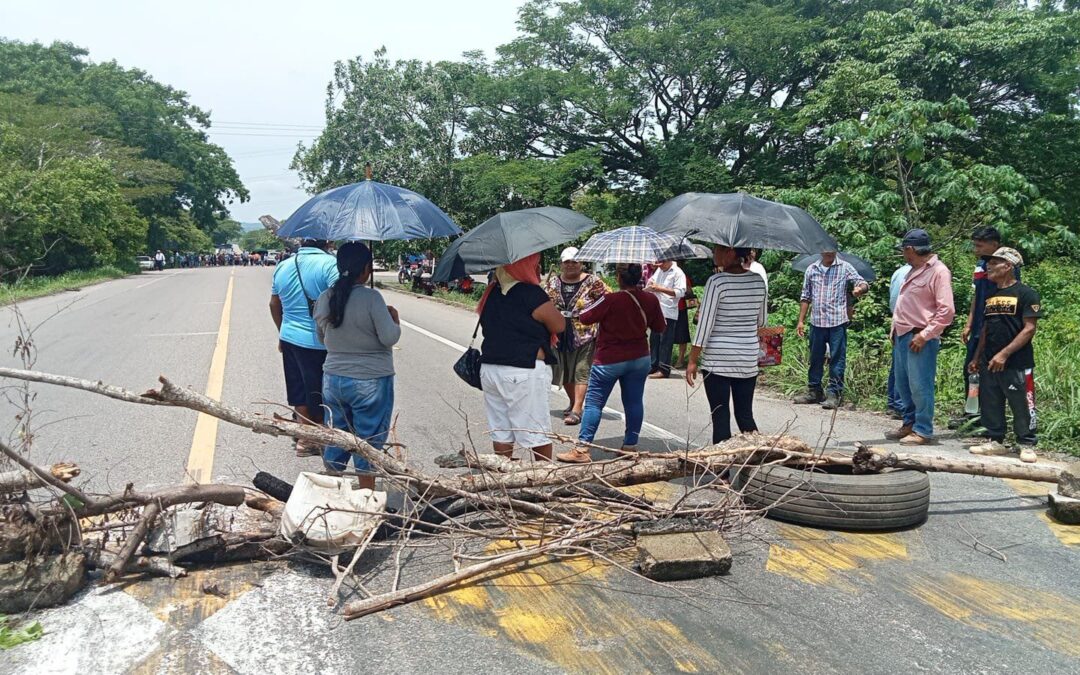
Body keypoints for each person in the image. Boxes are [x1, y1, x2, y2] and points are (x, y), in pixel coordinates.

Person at [556, 264, 666, 463]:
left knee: (594, 404)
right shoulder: (650, 299)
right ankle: (630, 446)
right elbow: (660, 326)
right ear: (640, 277)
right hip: (640, 358)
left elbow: (585, 317)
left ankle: (582, 449)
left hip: (609, 359)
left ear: (618, 278)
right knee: (633, 401)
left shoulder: (610, 299)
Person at [313, 243, 400, 490]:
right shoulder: (372, 298)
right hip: (370, 380)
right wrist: (394, 319)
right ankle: (365, 498)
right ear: (366, 269)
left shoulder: (325, 297)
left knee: (338, 436)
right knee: (368, 442)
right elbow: (389, 338)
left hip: (333, 378)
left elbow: (322, 338)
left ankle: (329, 493)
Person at [478, 253, 565, 461]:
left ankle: (504, 478)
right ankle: (544, 481)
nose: (538, 269)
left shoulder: (491, 292)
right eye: (535, 264)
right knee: (536, 432)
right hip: (522, 370)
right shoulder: (531, 294)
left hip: (491, 369)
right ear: (523, 266)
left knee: (501, 429)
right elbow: (559, 325)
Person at [686, 246, 768, 443]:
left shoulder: (717, 282)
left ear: (731, 253)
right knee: (745, 415)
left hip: (718, 360)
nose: (714, 253)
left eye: (717, 250)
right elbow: (762, 322)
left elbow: (705, 325)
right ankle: (753, 465)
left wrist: (692, 360)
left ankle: (722, 474)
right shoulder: (758, 281)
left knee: (721, 416)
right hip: (748, 358)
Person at [967, 247, 1041, 463]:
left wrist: (1004, 354)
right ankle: (995, 440)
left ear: (1008, 266)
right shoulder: (991, 296)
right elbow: (986, 329)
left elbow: (1029, 329)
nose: (988, 266)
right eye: (988, 263)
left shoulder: (1027, 293)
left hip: (1016, 361)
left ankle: (1026, 443)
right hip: (989, 360)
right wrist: (976, 357)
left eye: (994, 262)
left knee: (1021, 403)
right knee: (990, 400)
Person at [269, 239, 339, 457]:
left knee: (298, 387)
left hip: (289, 336)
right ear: (326, 241)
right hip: (320, 339)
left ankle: (304, 438)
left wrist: (282, 331)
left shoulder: (283, 265)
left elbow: (274, 304)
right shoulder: (330, 264)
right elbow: (341, 299)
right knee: (320, 388)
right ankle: (315, 437)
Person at [887, 229, 955, 445]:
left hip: (920, 337)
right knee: (903, 384)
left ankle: (923, 429)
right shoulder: (911, 270)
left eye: (905, 250)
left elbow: (947, 311)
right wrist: (894, 330)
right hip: (902, 334)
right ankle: (909, 423)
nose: (904, 255)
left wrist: (925, 335)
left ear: (911, 249)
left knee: (920, 385)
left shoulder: (938, 272)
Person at [954, 226, 1020, 429]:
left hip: (995, 327)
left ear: (994, 244)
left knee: (992, 374)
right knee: (971, 370)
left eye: (979, 245)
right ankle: (972, 414)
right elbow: (976, 296)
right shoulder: (981, 265)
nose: (976, 249)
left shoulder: (1006, 266)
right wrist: (969, 323)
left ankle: (991, 420)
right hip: (977, 328)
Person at [793, 250, 869, 409]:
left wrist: (859, 289)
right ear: (821, 250)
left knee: (837, 359)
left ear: (835, 250)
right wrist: (801, 321)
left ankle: (834, 393)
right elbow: (805, 296)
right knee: (815, 358)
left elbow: (862, 282)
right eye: (825, 249)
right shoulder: (812, 269)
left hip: (837, 322)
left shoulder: (844, 267)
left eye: (831, 249)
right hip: (817, 322)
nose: (828, 252)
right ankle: (814, 391)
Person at [544, 247, 609, 425]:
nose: (571, 265)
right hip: (559, 331)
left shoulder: (593, 281)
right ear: (561, 264)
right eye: (567, 262)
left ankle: (578, 408)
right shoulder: (553, 282)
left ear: (581, 263)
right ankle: (573, 401)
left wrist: (596, 315)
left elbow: (608, 300)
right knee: (564, 369)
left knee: (582, 369)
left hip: (585, 331)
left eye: (574, 261)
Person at [645, 259, 687, 379]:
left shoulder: (678, 273)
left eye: (661, 263)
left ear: (669, 260)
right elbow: (652, 282)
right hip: (657, 310)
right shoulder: (660, 270)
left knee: (665, 342)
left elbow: (680, 292)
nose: (659, 266)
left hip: (668, 311)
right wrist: (651, 285)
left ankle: (663, 369)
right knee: (654, 339)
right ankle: (653, 365)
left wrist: (659, 288)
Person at [886, 262, 912, 418]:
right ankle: (901, 405)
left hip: (898, 321)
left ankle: (894, 402)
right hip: (910, 324)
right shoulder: (914, 273)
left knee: (898, 365)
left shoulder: (898, 272)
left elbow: (893, 299)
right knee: (906, 367)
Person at [673, 274, 695, 369]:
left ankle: (680, 359)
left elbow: (689, 290)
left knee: (682, 335)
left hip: (681, 307)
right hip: (667, 308)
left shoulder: (682, 276)